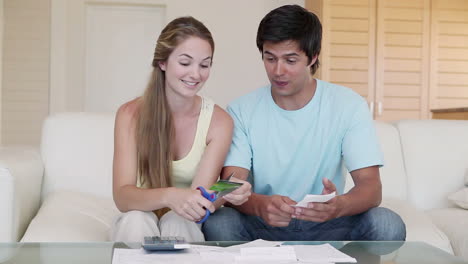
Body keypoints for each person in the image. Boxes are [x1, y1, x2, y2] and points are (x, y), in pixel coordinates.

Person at [202, 5, 406, 241]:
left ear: (314, 57)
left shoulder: (348, 105)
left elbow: (371, 188)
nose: (278, 71)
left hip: (328, 223)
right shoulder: (241, 109)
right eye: (270, 58)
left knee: (386, 223)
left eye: (290, 60)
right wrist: (259, 205)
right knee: (220, 222)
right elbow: (231, 184)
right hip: (265, 224)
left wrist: (338, 206)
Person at [111, 16, 251, 242]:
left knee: (179, 221)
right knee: (137, 220)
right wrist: (170, 196)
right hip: (136, 215)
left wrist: (228, 191)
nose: (195, 74)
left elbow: (200, 197)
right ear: (163, 62)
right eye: (185, 63)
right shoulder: (129, 115)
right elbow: (123, 197)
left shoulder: (219, 121)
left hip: (183, 220)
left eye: (204, 65)